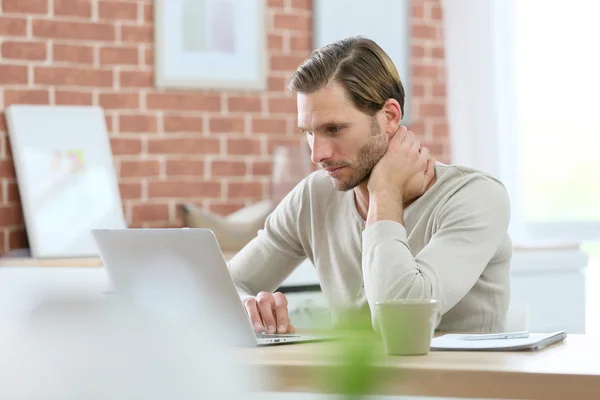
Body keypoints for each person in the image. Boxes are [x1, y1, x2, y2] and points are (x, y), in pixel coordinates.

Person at [227, 36, 512, 334]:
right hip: (359, 382)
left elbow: (400, 327)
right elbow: (223, 286)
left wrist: (385, 192)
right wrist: (248, 306)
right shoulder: (314, 197)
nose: (317, 154)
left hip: (464, 381)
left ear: (389, 117)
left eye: (334, 129)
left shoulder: (477, 197)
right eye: (308, 132)